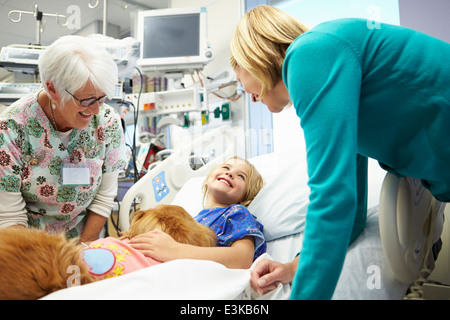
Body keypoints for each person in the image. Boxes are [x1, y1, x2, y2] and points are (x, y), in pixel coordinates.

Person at [230, 5, 450, 299]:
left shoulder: (310, 54)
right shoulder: (330, 71)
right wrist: (294, 267)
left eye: (239, 76)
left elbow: (333, 199)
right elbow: (353, 214)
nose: (248, 94)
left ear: (253, 57)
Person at [0, 35, 128, 242]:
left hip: (83, 240)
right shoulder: (11, 129)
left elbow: (104, 198)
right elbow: (10, 216)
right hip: (28, 246)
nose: (96, 109)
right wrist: (41, 264)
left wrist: (82, 250)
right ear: (53, 89)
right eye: (87, 100)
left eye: (102, 98)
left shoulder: (107, 122)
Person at [130, 156, 266, 269]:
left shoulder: (237, 213)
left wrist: (173, 249)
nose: (230, 173)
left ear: (245, 196)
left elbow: (242, 259)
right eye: (226, 168)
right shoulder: (193, 220)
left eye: (241, 176)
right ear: (208, 179)